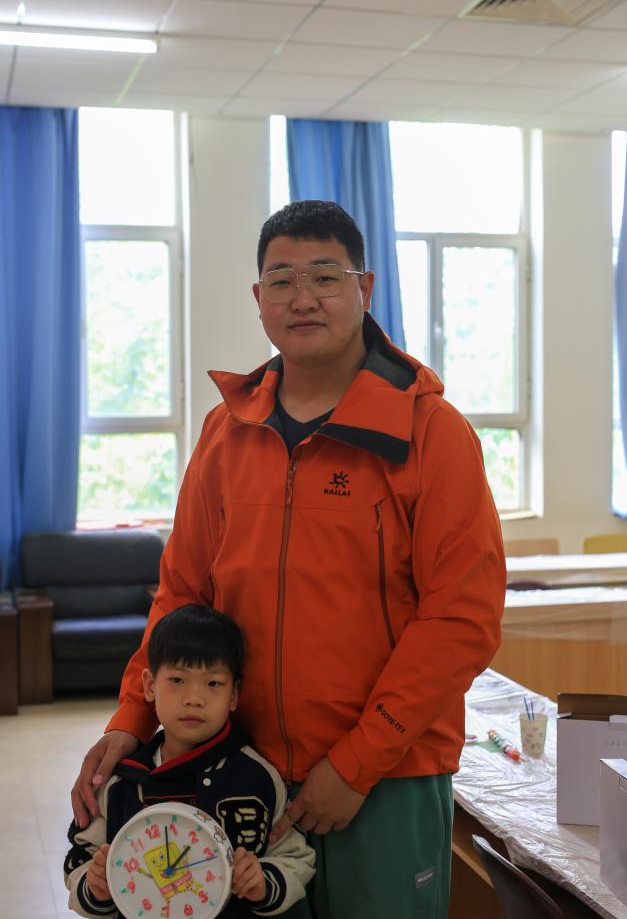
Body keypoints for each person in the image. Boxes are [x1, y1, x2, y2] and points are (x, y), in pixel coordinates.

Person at [72, 199, 506, 919]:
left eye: (325, 277)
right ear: (259, 298)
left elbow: (460, 619)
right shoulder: (226, 432)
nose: (303, 298)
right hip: (239, 769)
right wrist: (132, 716)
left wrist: (355, 764)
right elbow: (182, 594)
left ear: (364, 288)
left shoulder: (431, 433)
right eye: (281, 280)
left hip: (387, 776)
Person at [65, 605, 315, 918]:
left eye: (213, 684)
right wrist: (96, 886)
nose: (194, 698)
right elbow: (81, 859)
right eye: (177, 679)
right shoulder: (121, 783)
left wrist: (262, 882)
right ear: (149, 686)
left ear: (234, 695)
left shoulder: (257, 778)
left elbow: (295, 857)